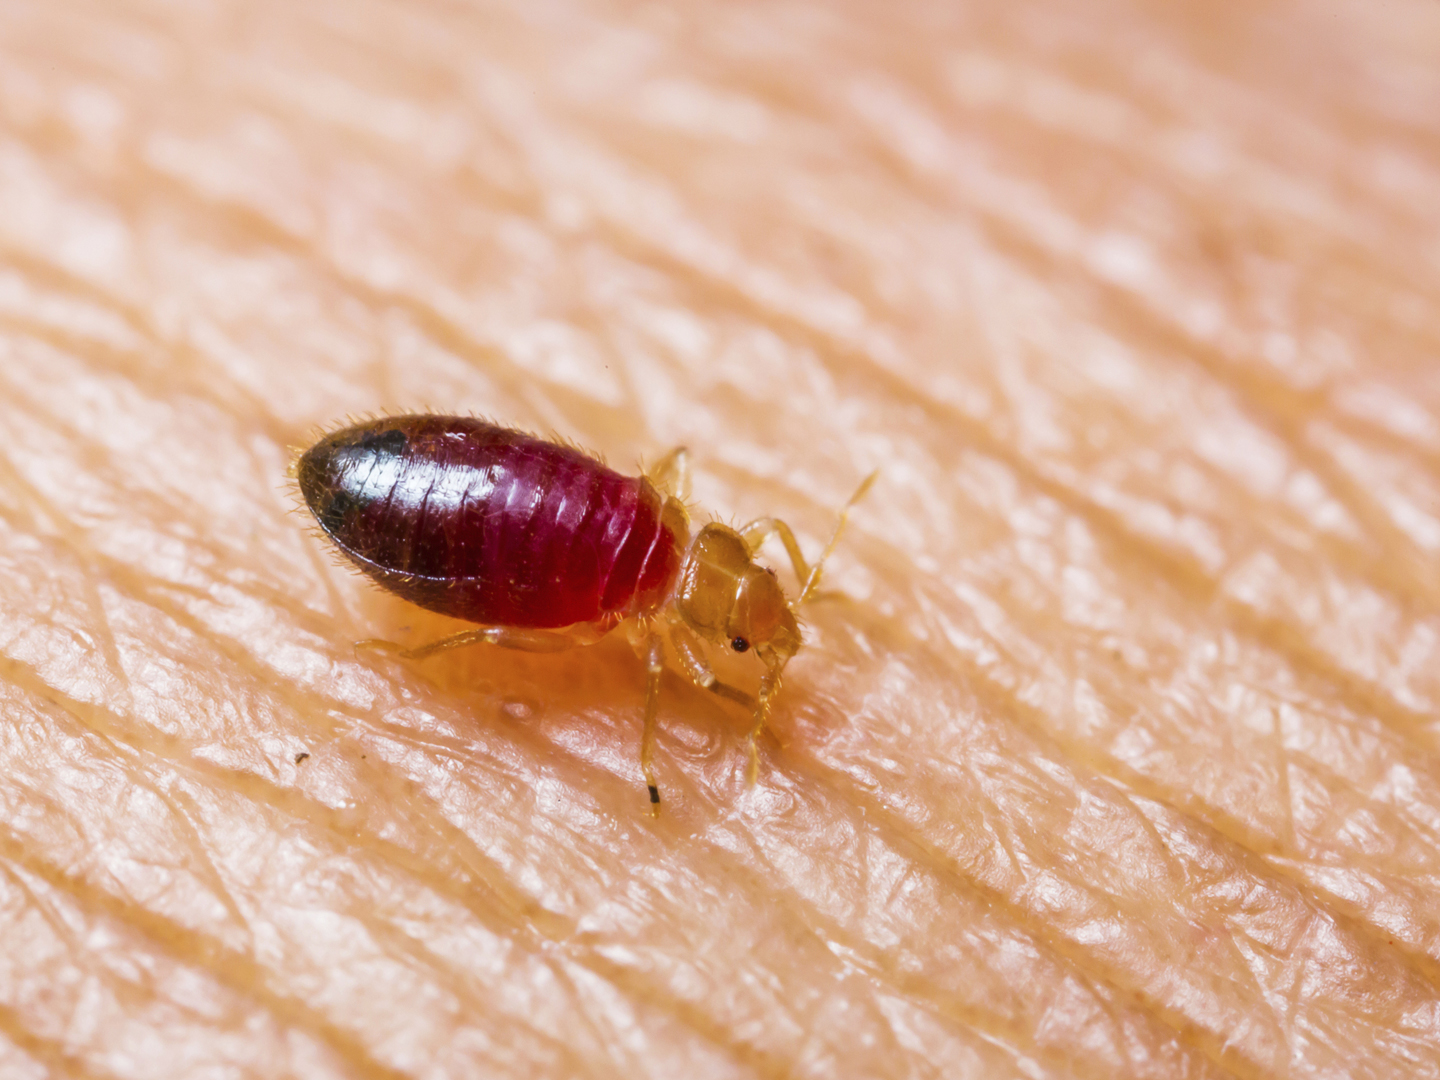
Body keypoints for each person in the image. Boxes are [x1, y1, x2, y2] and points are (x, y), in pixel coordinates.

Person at [0, 0, 1435, 1075]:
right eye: (757, 621)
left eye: (758, 618)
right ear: (722, 594)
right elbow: (648, 661)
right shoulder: (645, 557)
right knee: (496, 620)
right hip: (471, 515)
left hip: (516, 515)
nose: (765, 624)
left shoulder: (655, 542)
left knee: (512, 615)